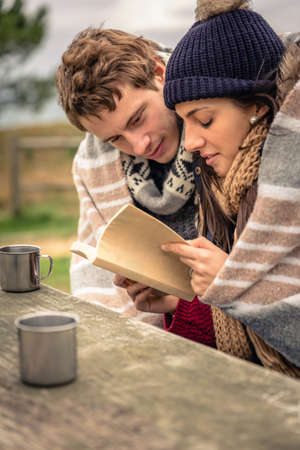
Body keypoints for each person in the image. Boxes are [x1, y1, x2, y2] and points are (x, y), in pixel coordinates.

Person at [119, 0, 300, 376]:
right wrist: (177, 302)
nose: (191, 143)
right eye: (186, 123)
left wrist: (233, 282)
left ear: (258, 105)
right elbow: (246, 335)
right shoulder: (224, 188)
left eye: (204, 119)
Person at [56, 28, 199, 325]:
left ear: (160, 74)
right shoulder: (91, 164)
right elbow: (96, 273)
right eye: (116, 139)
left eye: (137, 119)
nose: (139, 146)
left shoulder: (222, 117)